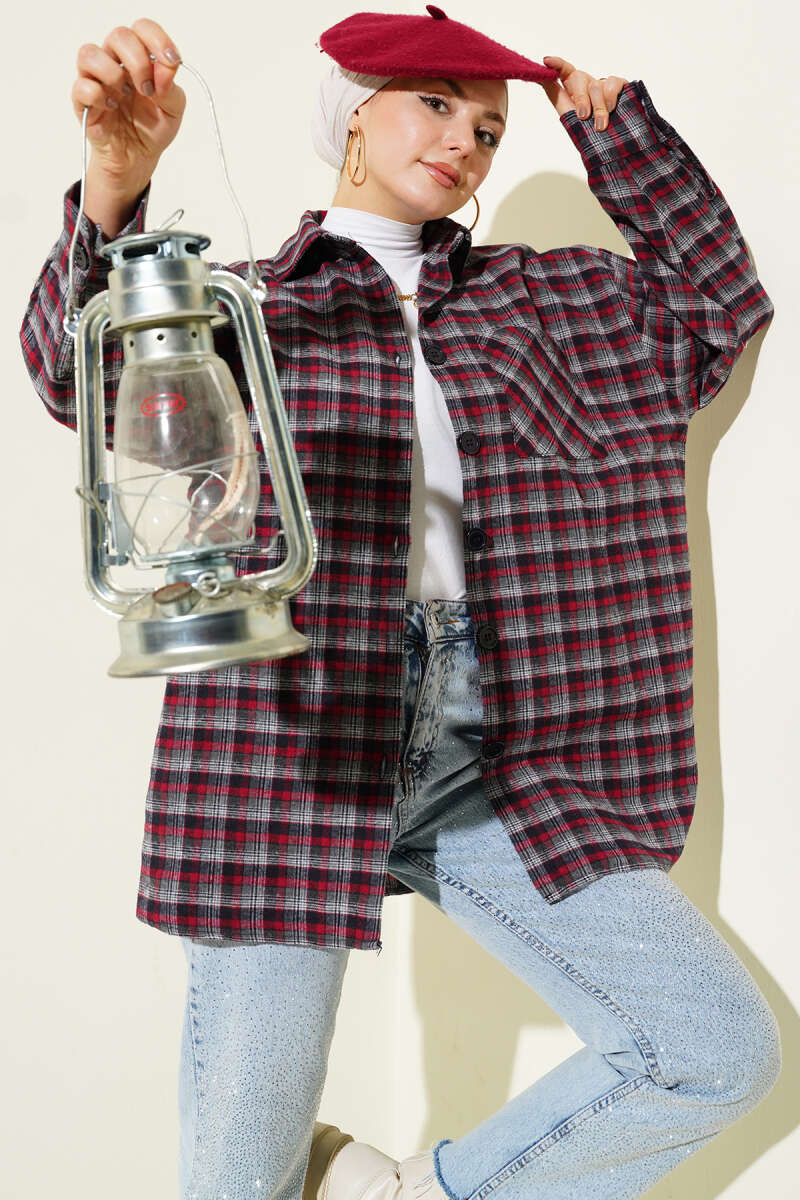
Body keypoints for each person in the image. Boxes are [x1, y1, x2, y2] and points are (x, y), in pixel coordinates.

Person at [19, 7, 780, 1200]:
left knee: (712, 1051)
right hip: (298, 734)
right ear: (352, 117)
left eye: (487, 127)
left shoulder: (563, 303)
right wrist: (115, 186)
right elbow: (76, 373)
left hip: (515, 745)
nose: (463, 142)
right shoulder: (244, 305)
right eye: (432, 104)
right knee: (238, 1183)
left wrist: (618, 137)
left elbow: (715, 308)